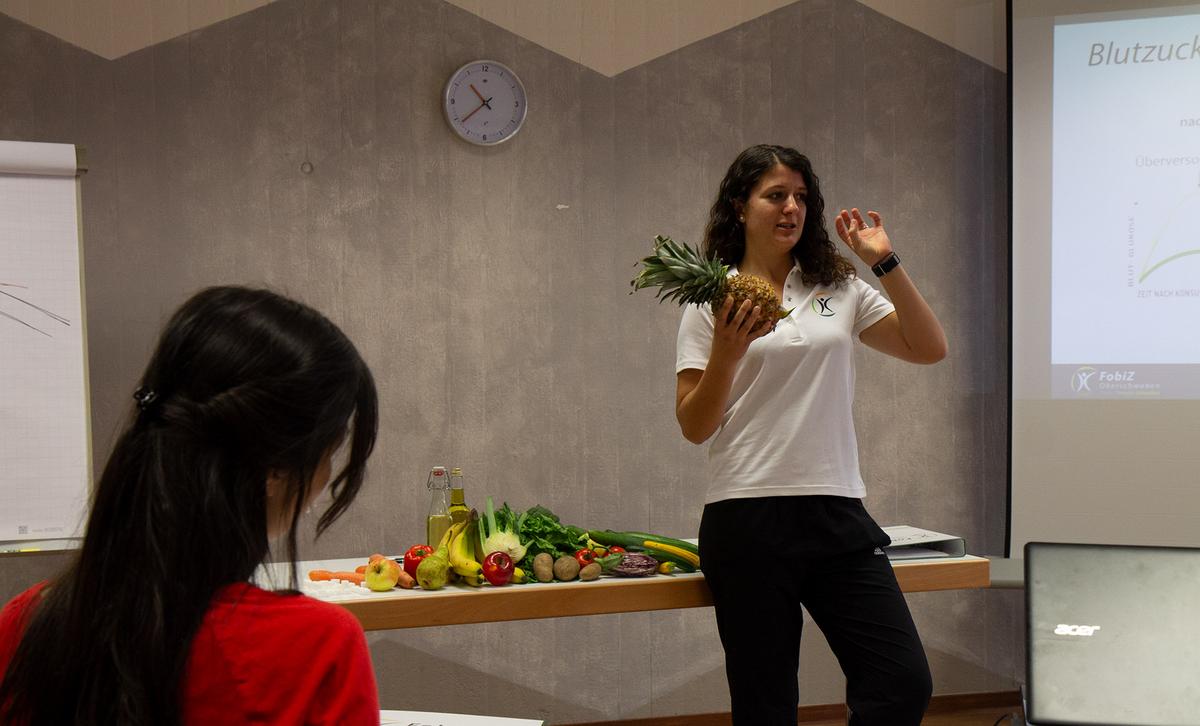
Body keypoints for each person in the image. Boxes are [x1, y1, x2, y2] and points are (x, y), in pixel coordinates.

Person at [0, 286, 381, 725]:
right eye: (330, 452)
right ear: (276, 469)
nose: (326, 478)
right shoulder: (316, 647)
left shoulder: (29, 625)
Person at [676, 145, 948, 725]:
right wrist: (728, 349)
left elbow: (929, 349)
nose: (792, 208)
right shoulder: (712, 297)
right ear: (739, 206)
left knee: (902, 682)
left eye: (802, 197)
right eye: (776, 196)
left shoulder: (839, 286)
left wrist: (885, 261)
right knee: (766, 705)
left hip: (834, 511)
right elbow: (694, 426)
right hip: (745, 517)